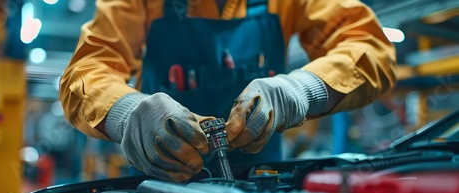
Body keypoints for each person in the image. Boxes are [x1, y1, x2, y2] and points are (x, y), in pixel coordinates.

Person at [60, 0, 396, 182]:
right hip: (160, 188)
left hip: (261, 182)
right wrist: (128, 112)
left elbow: (368, 48)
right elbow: (87, 71)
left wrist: (299, 91)